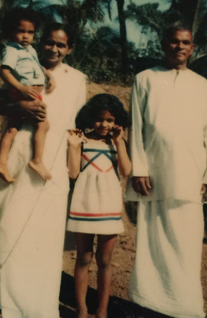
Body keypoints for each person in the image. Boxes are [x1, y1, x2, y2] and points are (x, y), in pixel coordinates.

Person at [0, 22, 86, 318]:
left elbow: (76, 126)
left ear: (70, 49)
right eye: (49, 43)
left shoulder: (77, 79)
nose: (53, 49)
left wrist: (73, 162)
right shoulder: (21, 67)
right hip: (18, 158)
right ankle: (1, 306)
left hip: (51, 166)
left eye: (61, 45)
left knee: (46, 236)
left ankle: (38, 307)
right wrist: (23, 109)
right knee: (9, 228)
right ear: (40, 43)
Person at [125, 22, 207, 318]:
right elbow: (138, 127)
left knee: (187, 244)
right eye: (174, 41)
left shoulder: (202, 85)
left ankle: (184, 307)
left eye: (185, 42)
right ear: (163, 44)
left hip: (191, 178)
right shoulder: (145, 79)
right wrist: (140, 169)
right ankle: (148, 303)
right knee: (152, 242)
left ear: (192, 48)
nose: (179, 46)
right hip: (154, 177)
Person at [67, 94, 131, 318]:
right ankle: (82, 309)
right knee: (83, 258)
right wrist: (73, 147)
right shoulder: (81, 140)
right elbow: (74, 173)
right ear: (90, 118)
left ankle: (102, 310)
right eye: (99, 119)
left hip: (109, 205)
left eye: (110, 120)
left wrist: (120, 142)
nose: (105, 125)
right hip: (84, 204)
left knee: (105, 260)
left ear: (117, 121)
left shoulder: (117, 142)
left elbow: (126, 171)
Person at [0, 8, 56, 183]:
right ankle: (37, 160)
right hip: (25, 94)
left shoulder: (30, 50)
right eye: (21, 31)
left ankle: (1, 162)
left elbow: (37, 67)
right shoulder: (12, 50)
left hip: (29, 93)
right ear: (11, 32)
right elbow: (4, 71)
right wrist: (21, 87)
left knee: (13, 128)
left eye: (30, 32)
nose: (26, 36)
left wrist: (49, 76)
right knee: (43, 124)